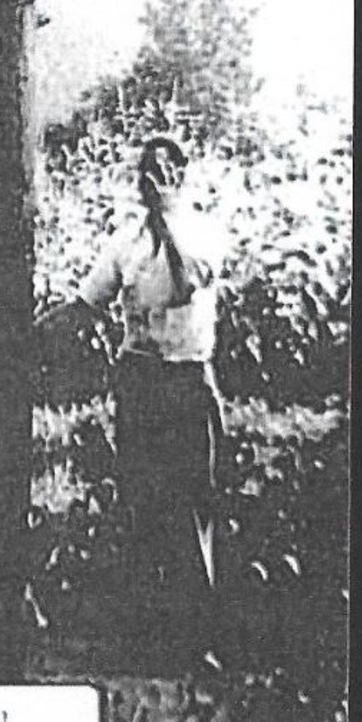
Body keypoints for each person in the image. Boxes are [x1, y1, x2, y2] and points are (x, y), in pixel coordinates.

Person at [78, 136, 228, 639]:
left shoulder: (203, 233)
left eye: (163, 170)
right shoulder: (125, 241)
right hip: (139, 379)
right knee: (141, 498)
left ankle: (198, 632)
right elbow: (88, 303)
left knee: (192, 500)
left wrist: (166, 220)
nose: (152, 180)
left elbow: (185, 285)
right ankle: (146, 631)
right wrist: (30, 330)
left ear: (181, 175)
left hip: (187, 378)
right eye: (145, 171)